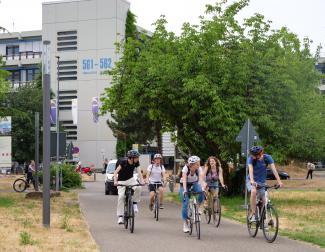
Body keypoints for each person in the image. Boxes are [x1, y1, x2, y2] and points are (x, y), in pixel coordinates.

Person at [247, 146, 283, 222]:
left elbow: (274, 170)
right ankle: (253, 214)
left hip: (262, 182)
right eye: (252, 154)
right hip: (251, 180)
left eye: (254, 155)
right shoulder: (251, 159)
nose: (252, 156)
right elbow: (250, 170)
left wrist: (279, 181)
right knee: (253, 192)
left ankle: (264, 220)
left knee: (265, 200)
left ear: (260, 154)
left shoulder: (267, 158)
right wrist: (252, 181)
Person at [114, 150, 145, 225]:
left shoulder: (136, 162)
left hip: (130, 180)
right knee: (121, 197)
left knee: (138, 188)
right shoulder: (123, 162)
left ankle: (134, 203)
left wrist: (142, 181)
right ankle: (120, 216)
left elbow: (139, 172)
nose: (138, 159)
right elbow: (115, 173)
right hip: (121, 181)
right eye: (136, 157)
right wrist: (115, 181)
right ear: (131, 158)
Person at [179, 156, 206, 233]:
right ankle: (185, 224)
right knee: (185, 203)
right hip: (184, 185)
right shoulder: (185, 169)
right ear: (192, 164)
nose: (199, 165)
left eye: (199, 163)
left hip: (194, 183)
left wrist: (203, 187)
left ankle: (198, 206)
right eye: (197, 164)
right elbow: (184, 180)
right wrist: (184, 190)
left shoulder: (199, 169)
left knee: (201, 192)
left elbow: (200, 180)